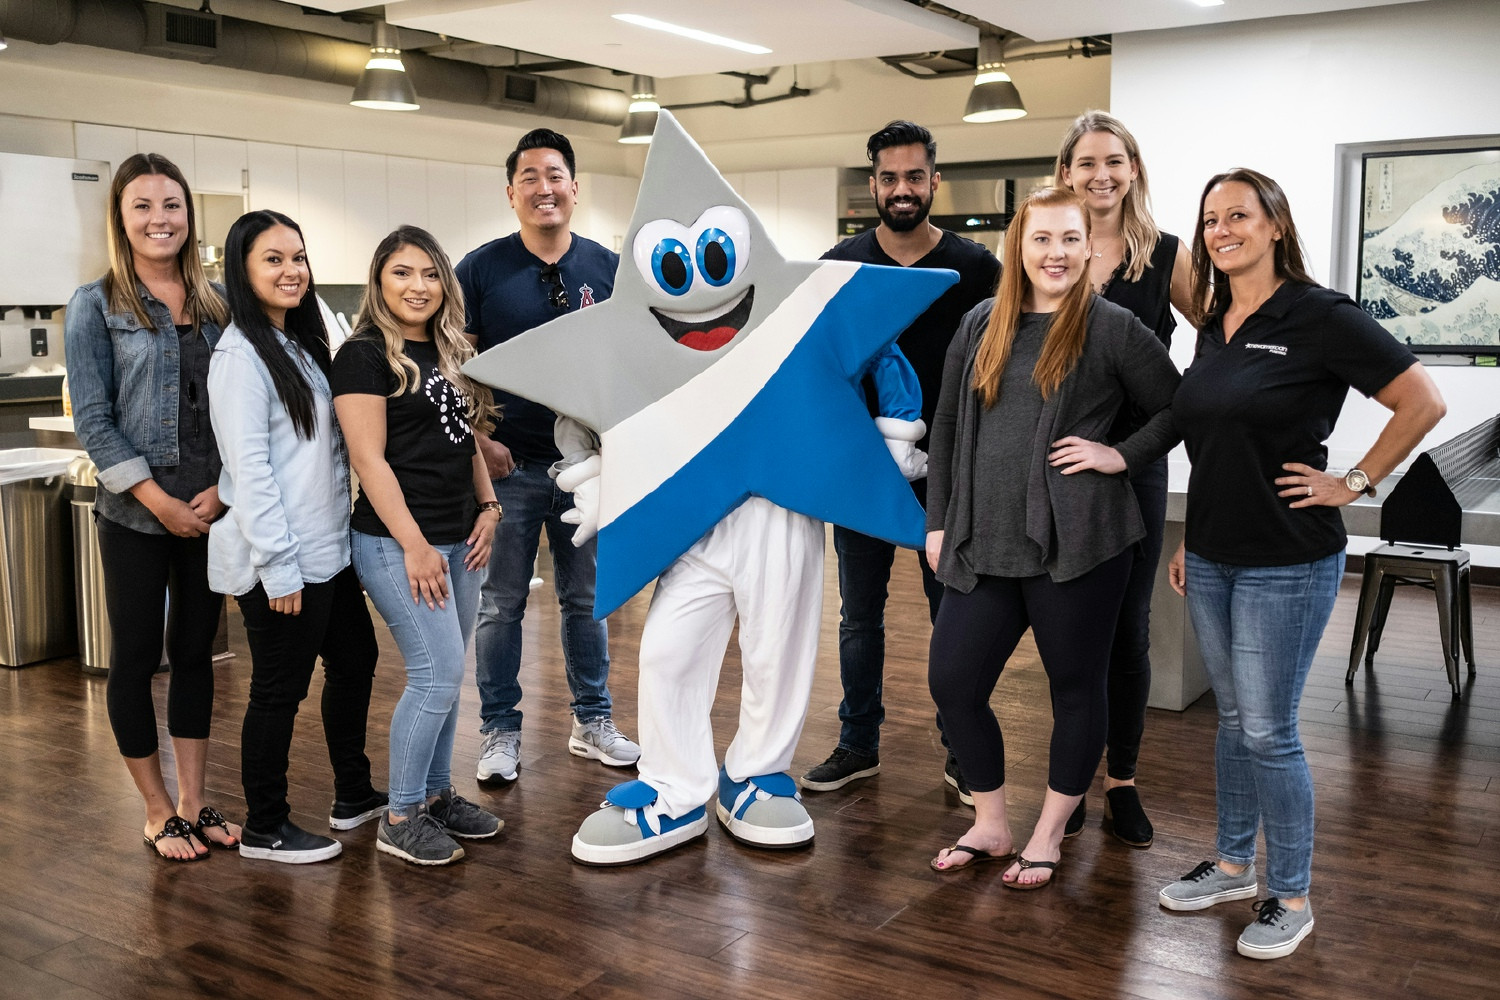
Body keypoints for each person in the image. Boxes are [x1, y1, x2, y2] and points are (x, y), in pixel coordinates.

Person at [1159, 168, 1444, 958]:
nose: (1221, 231)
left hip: (1288, 559)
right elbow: (1213, 435)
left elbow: (1422, 401)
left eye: (1239, 216)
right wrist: (1192, 532)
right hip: (1212, 552)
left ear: (1275, 224)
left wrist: (1354, 481)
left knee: (1271, 731)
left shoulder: (1321, 315)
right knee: (1233, 724)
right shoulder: (1214, 319)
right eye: (1211, 219)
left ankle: (1291, 895)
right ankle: (1231, 863)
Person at [925, 187, 1179, 888]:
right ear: (1020, 247)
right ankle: (991, 822)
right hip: (983, 540)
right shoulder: (981, 323)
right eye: (1042, 239)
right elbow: (945, 427)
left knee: (1076, 687)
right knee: (952, 681)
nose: (1056, 253)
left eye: (1070, 239)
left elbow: (1178, 406)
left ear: (1089, 247)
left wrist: (1118, 455)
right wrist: (939, 521)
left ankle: (1048, 834)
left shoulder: (1112, 327)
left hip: (1080, 545)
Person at [800, 121, 999, 798]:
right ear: (873, 185)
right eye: (890, 178)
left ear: (934, 180)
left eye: (915, 176)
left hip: (946, 476)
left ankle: (960, 749)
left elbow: (997, 368)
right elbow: (817, 366)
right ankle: (858, 744)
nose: (903, 190)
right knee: (859, 616)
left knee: (954, 615)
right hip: (860, 471)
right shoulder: (840, 264)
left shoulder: (977, 269)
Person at [64, 152, 239, 861]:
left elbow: (241, 408)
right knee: (136, 659)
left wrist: (224, 488)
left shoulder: (222, 303)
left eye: (171, 205)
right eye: (143, 206)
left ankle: (195, 800)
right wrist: (156, 498)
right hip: (137, 515)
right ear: (122, 218)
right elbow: (94, 421)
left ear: (189, 217)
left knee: (197, 656)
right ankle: (156, 806)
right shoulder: (94, 305)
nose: (159, 219)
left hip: (212, 510)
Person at [456, 128, 639, 785]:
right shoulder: (480, 269)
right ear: (512, 193)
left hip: (583, 468)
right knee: (500, 605)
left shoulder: (607, 269)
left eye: (555, 175)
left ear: (574, 188)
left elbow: (626, 363)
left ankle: (594, 720)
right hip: (508, 471)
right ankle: (499, 732)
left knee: (587, 599)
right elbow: (454, 368)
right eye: (529, 177)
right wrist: (479, 442)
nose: (544, 188)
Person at [209, 209, 384, 864]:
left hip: (328, 556)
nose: (292, 271)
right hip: (283, 565)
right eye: (273, 259)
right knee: (279, 690)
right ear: (243, 270)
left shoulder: (300, 345)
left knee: (356, 659)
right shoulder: (240, 357)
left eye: (298, 257)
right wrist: (279, 569)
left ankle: (355, 794)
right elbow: (250, 472)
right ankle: (266, 826)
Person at [333, 226, 505, 866]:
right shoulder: (363, 356)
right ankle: (401, 814)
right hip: (397, 543)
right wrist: (414, 544)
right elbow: (368, 461)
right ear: (379, 280)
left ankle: (436, 796)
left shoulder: (449, 348)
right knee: (436, 676)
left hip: (461, 538)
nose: (419, 286)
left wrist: (488, 506)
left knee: (448, 677)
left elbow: (467, 441)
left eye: (431, 274)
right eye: (403, 273)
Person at [1051, 110, 1196, 847]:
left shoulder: (1166, 255)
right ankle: (1068, 783)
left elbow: (1225, 340)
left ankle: (1123, 784)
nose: (1101, 175)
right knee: (1071, 635)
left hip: (1135, 464)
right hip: (1061, 471)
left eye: (1115, 161)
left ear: (1133, 169)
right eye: (1087, 163)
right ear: (1067, 173)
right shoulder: (1053, 250)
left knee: (1128, 639)